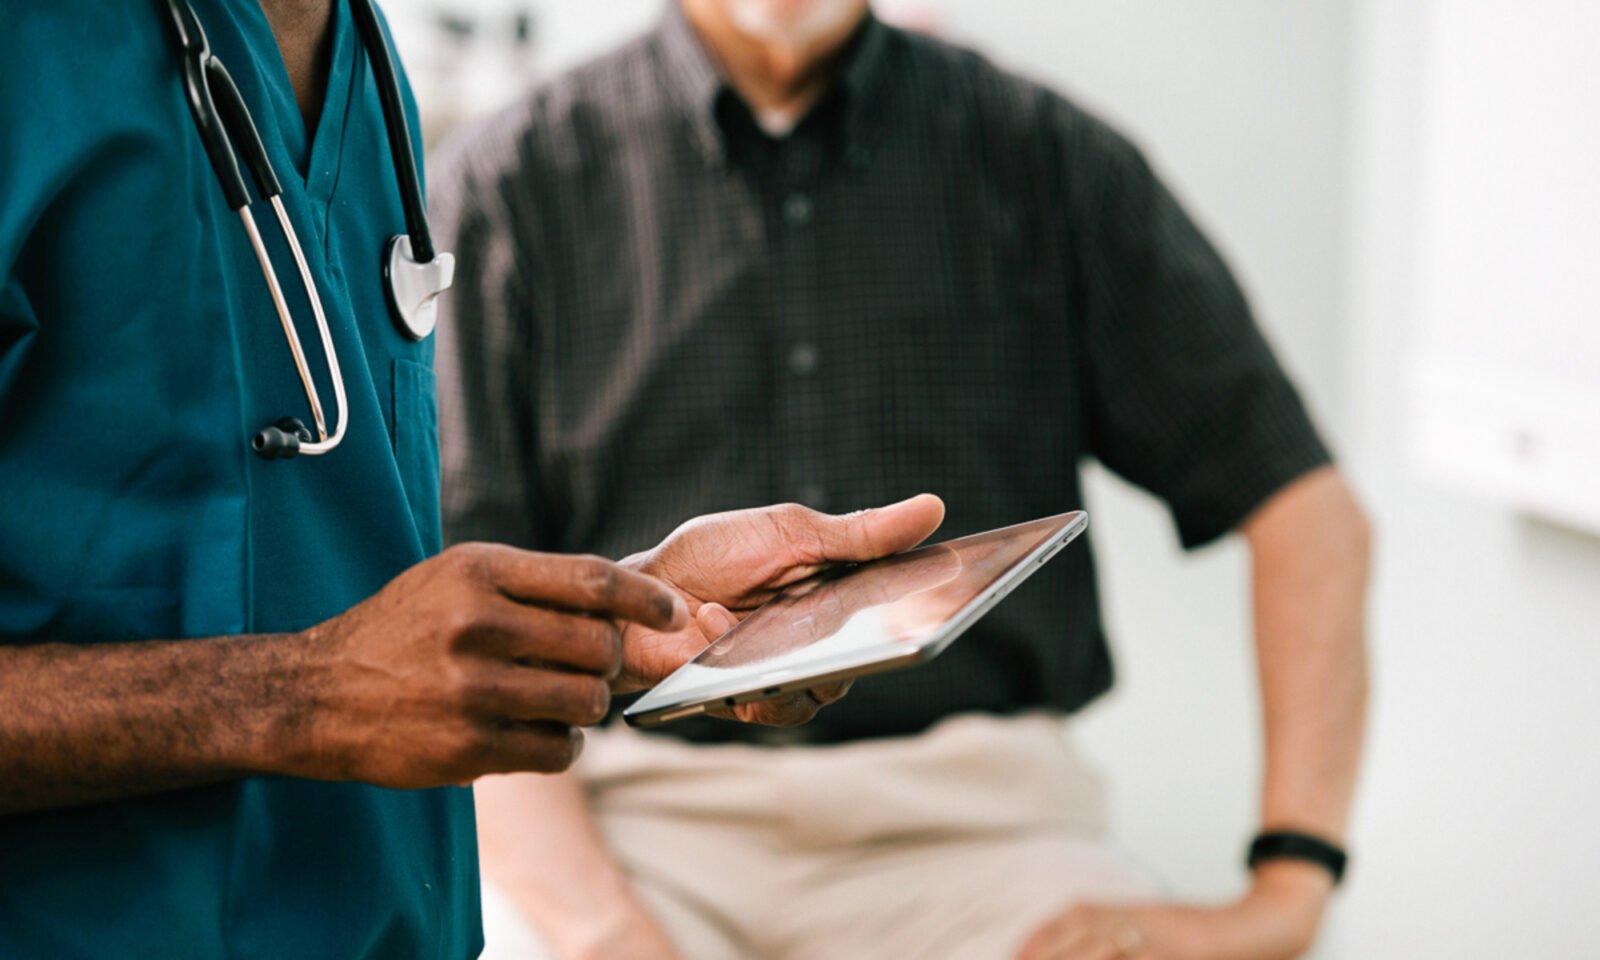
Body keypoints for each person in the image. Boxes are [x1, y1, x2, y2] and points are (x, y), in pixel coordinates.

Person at [0, 2, 944, 957]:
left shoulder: (363, 62)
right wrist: (304, 694)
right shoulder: (36, 56)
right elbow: (332, 672)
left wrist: (616, 619)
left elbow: (336, 594)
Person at [432, 0, 1372, 957]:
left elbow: (1307, 510)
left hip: (981, 839)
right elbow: (466, 617)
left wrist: (1290, 889)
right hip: (630, 827)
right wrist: (604, 931)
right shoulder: (507, 185)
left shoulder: (1044, 158)